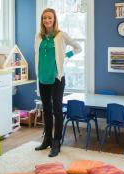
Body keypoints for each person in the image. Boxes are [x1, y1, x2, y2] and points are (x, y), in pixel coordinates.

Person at [34, 8, 81, 157]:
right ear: (42, 20)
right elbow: (38, 55)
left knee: (57, 109)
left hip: (57, 77)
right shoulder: (39, 36)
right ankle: (47, 139)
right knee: (46, 109)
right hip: (43, 77)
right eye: (44, 18)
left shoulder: (61, 35)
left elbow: (78, 47)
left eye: (50, 18)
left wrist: (66, 55)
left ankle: (56, 142)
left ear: (54, 19)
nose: (47, 20)